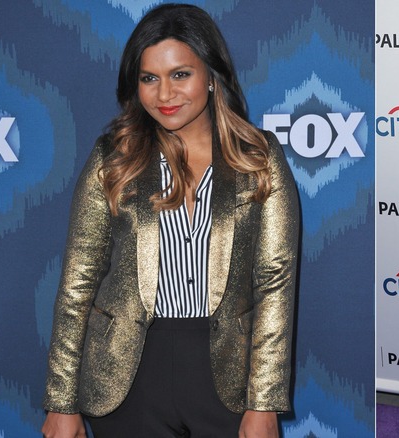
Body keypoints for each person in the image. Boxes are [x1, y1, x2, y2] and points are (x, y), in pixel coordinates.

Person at [41, 4, 299, 437]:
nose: (164, 95)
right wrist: (61, 401)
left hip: (228, 377)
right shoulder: (113, 159)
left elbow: (275, 283)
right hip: (126, 375)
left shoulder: (258, 157)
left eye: (180, 74)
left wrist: (265, 401)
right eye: (149, 78)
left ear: (211, 76)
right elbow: (77, 282)